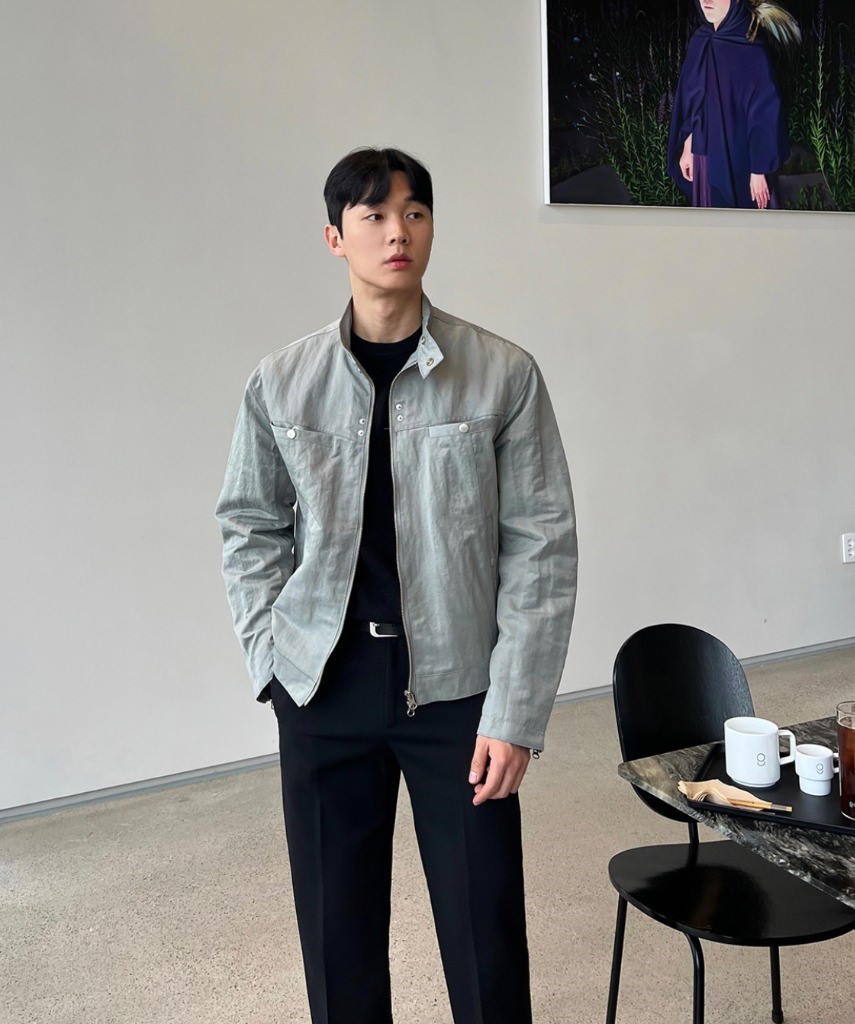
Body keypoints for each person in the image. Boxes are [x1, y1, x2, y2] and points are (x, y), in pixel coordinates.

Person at [214, 146, 577, 1024]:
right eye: (373, 215)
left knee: (486, 939)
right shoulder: (281, 381)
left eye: (413, 212)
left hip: (457, 693)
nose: (396, 232)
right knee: (337, 943)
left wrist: (515, 712)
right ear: (334, 238)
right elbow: (248, 525)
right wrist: (271, 659)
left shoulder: (502, 373)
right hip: (323, 688)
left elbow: (541, 548)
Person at [668, 0, 800, 209]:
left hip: (742, 160)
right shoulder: (699, 41)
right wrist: (688, 146)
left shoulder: (750, 47)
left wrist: (759, 170)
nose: (706, 1)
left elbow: (764, 114)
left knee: (748, 219)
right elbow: (694, 103)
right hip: (705, 157)